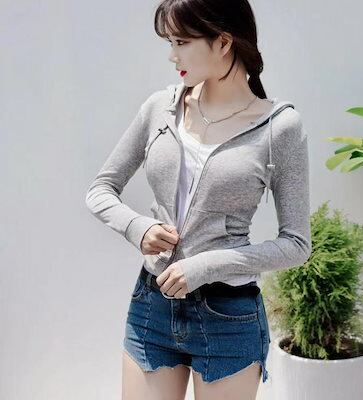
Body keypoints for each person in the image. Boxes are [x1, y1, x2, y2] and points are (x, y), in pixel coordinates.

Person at [85, 0, 312, 399]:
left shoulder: (278, 127)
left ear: (223, 42)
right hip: (153, 305)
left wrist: (206, 265)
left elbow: (296, 244)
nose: (172, 56)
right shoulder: (161, 108)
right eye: (170, 43)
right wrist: (139, 228)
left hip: (229, 316)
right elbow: (101, 189)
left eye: (182, 42)